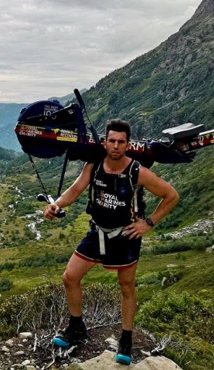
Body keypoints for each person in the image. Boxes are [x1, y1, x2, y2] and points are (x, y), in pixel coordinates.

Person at [43, 119, 179, 365]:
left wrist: (148, 223)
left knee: (126, 287)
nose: (116, 146)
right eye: (112, 141)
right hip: (97, 232)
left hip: (125, 236)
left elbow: (171, 195)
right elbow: (74, 191)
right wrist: (57, 205)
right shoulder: (93, 166)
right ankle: (76, 327)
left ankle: (126, 339)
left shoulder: (138, 171)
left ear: (128, 144)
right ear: (105, 142)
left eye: (121, 142)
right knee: (70, 277)